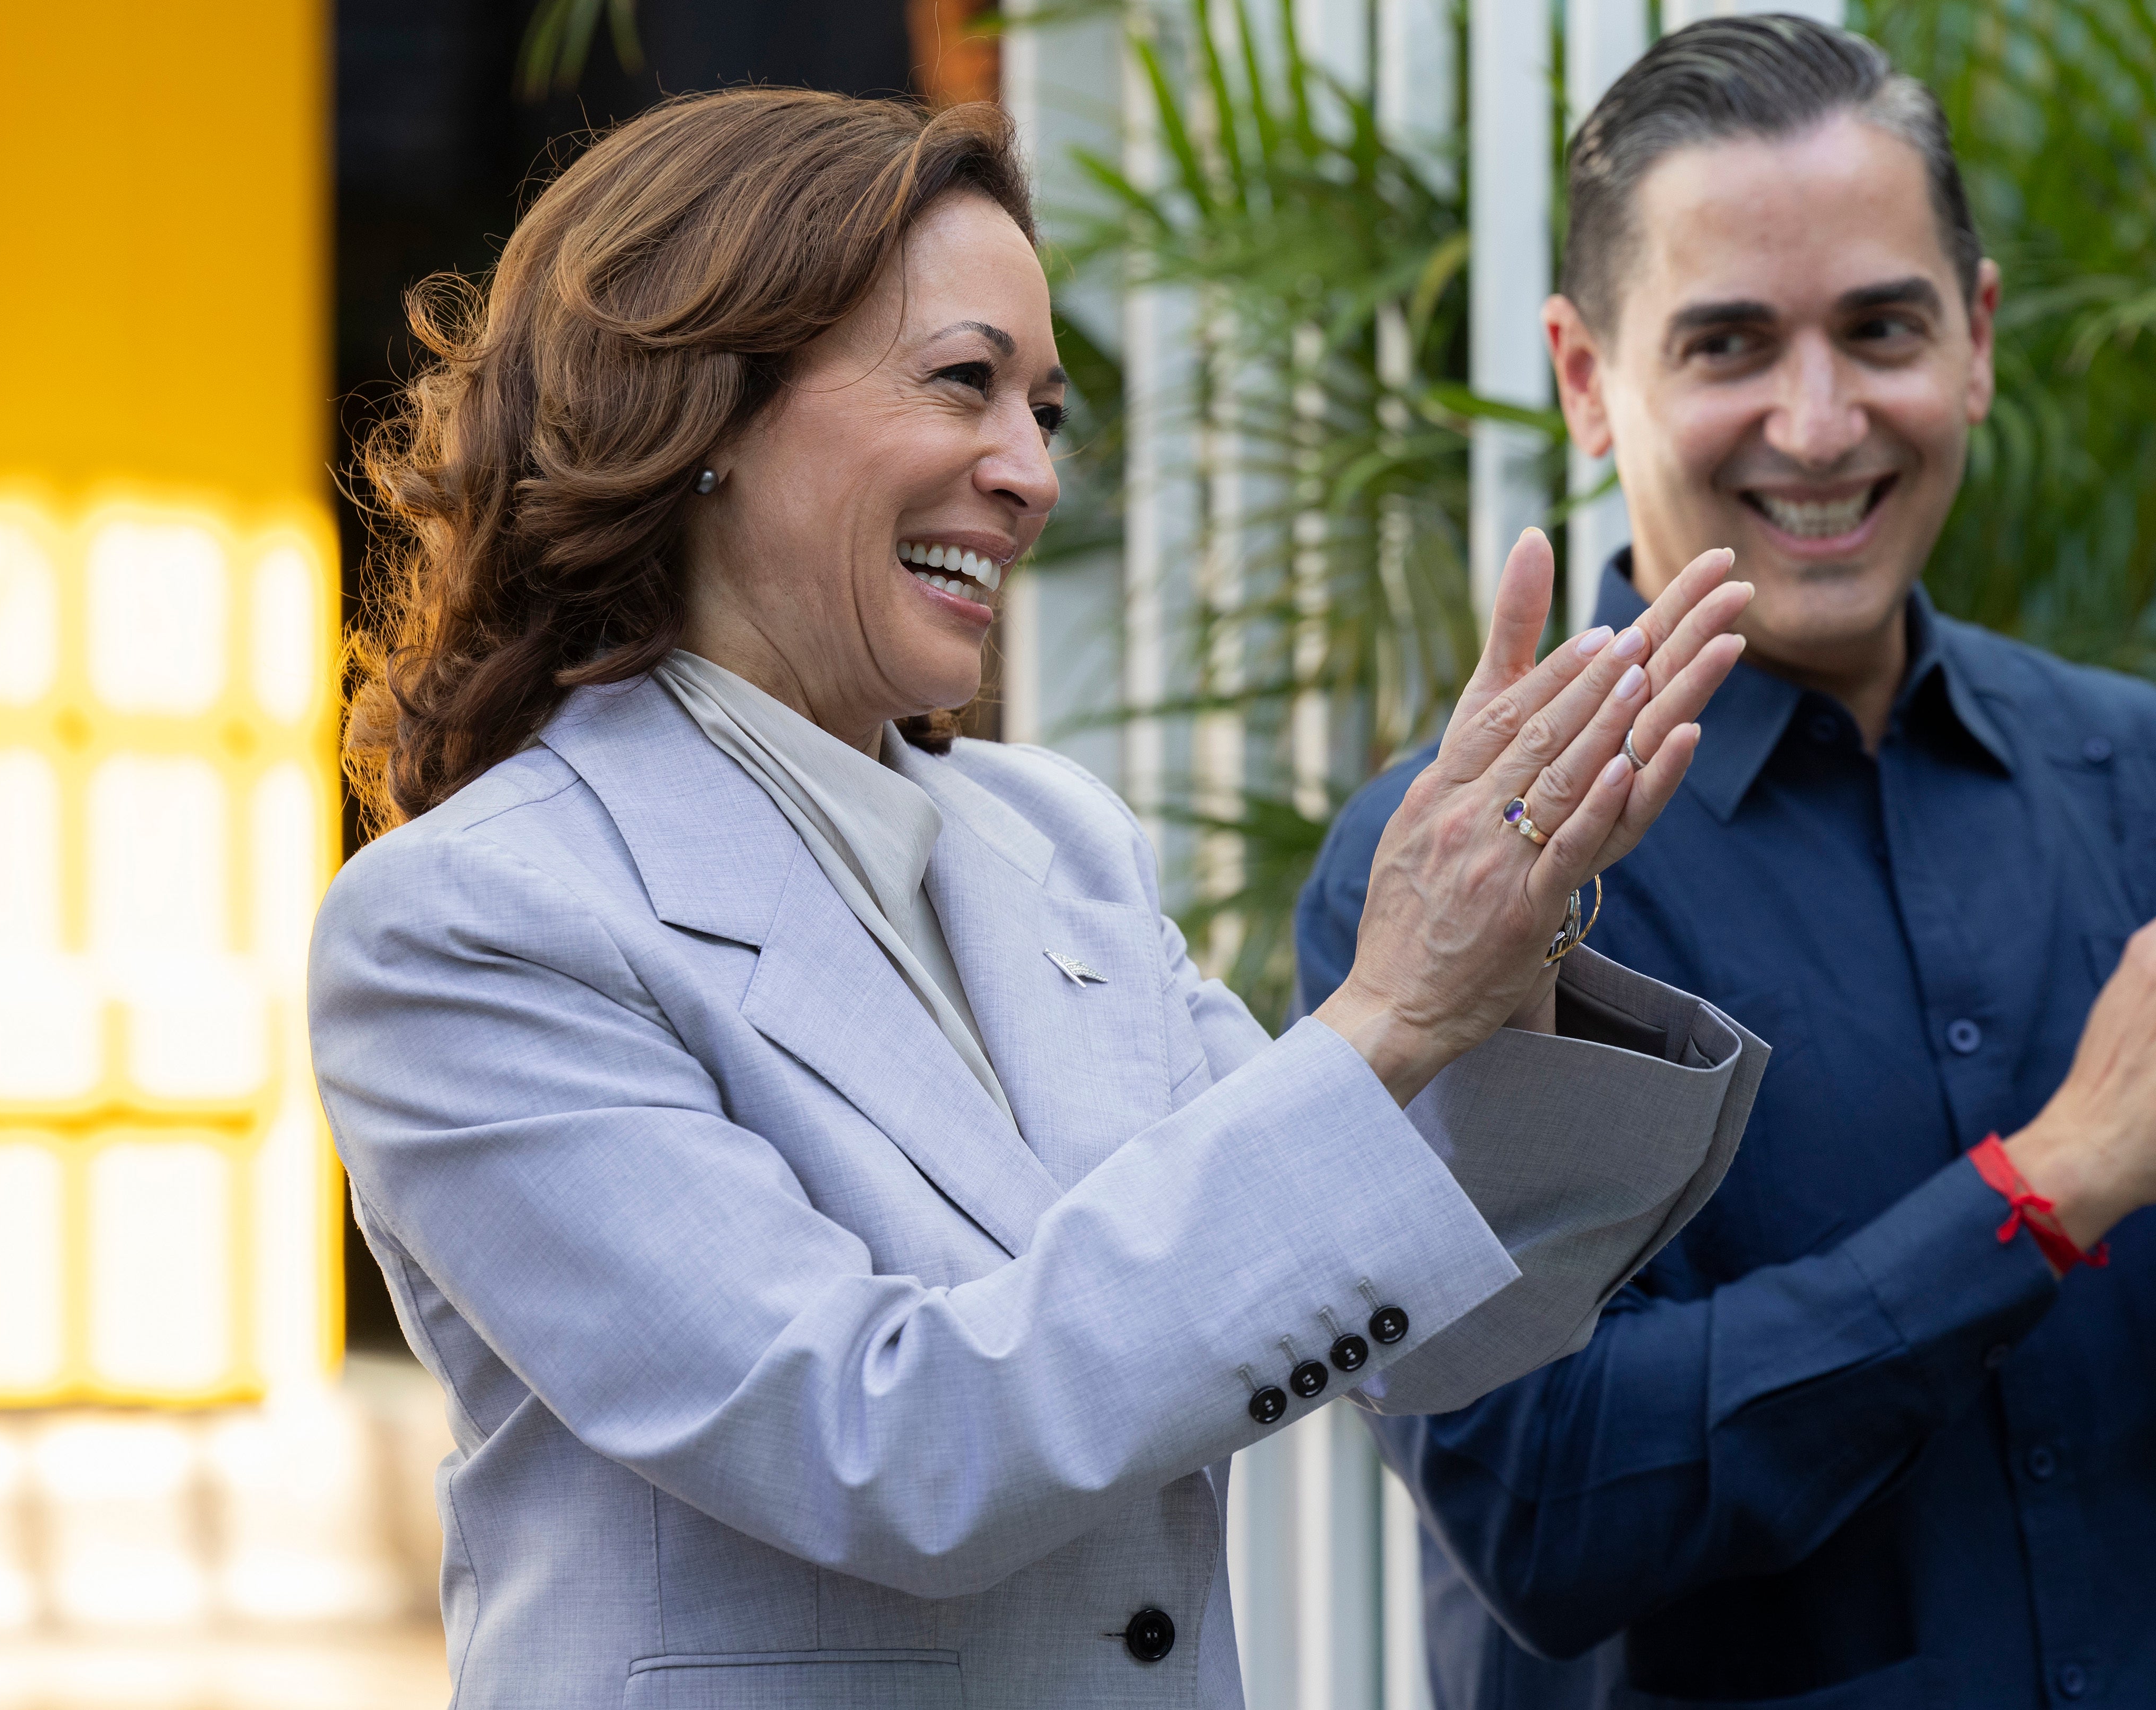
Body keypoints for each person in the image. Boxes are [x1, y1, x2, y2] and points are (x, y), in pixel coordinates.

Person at [309, 87, 1771, 1710]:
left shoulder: (1053, 839)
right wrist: (1392, 1006)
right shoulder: (469, 924)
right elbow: (891, 1449)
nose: (1028, 476)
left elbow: (1435, 1317)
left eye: (1046, 411)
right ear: (703, 410)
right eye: (963, 385)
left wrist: (1512, 947)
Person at [1296, 17, 2156, 1710]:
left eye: (1881, 329)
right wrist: (2052, 1184)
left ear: (1979, 341)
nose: (1819, 424)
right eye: (1731, 344)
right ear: (1587, 378)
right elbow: (1548, 1508)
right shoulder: (1470, 880)